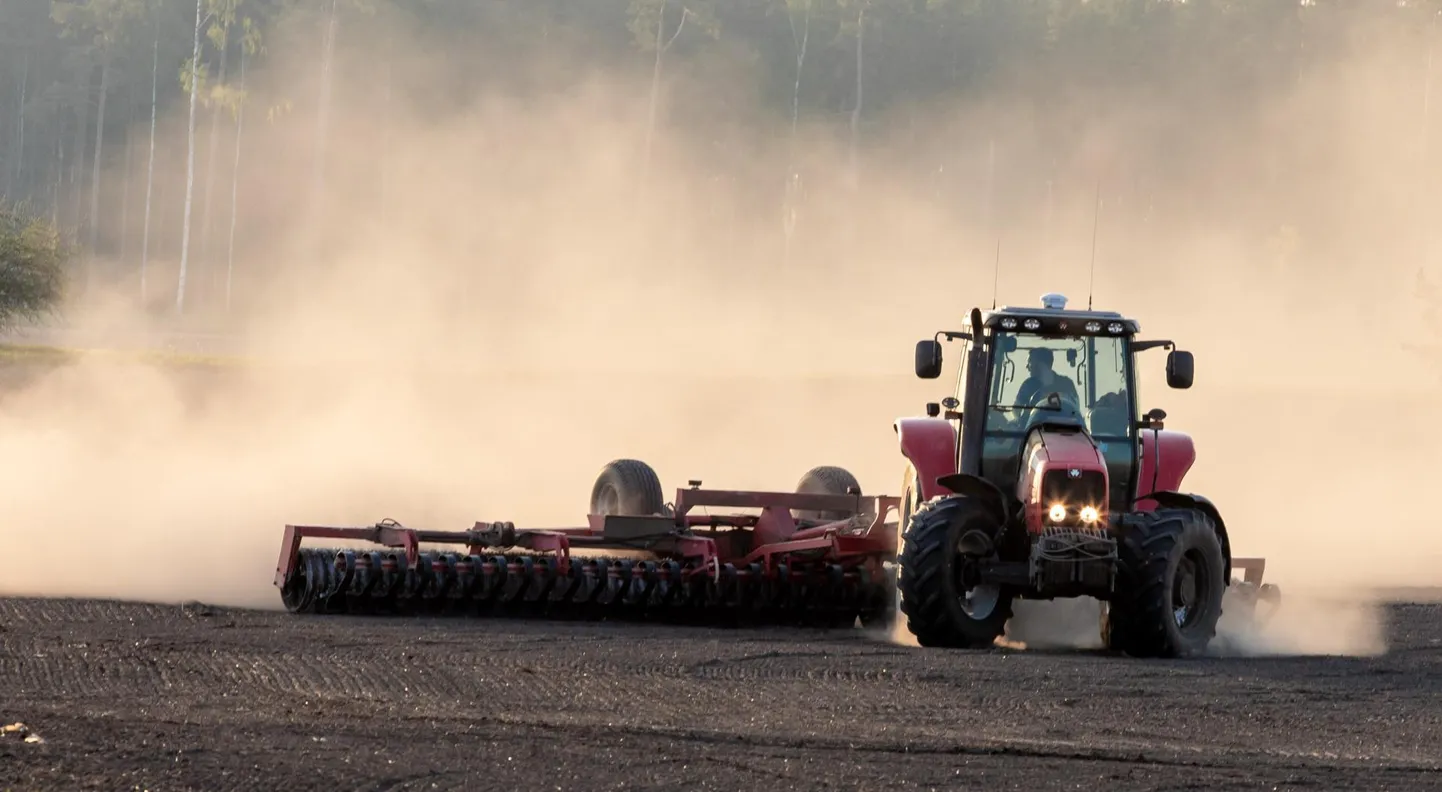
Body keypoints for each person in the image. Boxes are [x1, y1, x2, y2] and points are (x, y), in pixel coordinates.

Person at [1014, 347, 1079, 410]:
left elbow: (1075, 408)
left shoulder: (1066, 383)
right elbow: (1016, 410)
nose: (1027, 366)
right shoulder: (1028, 385)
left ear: (1040, 364)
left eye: (1030, 362)